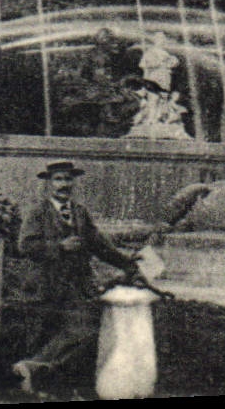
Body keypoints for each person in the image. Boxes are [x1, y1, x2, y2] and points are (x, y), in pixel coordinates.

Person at [13, 160, 142, 395]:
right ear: (49, 184)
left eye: (68, 179)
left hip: (75, 286)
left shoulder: (80, 213)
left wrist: (128, 264)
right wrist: (59, 247)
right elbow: (25, 245)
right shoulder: (38, 212)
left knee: (85, 329)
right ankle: (38, 385)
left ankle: (39, 370)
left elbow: (100, 246)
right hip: (44, 286)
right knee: (43, 335)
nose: (64, 184)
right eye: (59, 179)